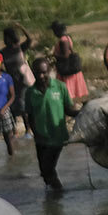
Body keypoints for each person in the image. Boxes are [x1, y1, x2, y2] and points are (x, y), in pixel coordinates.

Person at [24, 58, 77, 194]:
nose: (41, 76)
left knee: (48, 169)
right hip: (41, 139)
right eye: (38, 73)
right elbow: (30, 115)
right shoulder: (30, 92)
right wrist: (35, 133)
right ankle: (52, 198)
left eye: (44, 72)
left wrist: (81, 112)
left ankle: (60, 194)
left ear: (49, 71)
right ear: (33, 73)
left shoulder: (60, 87)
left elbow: (69, 109)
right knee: (44, 172)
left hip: (57, 137)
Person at [0, 24, 34, 134]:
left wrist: (21, 27)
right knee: (13, 106)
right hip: (11, 81)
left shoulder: (20, 48)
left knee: (22, 104)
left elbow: (30, 39)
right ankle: (14, 130)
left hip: (23, 80)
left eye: (6, 37)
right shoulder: (3, 52)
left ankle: (28, 129)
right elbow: (0, 66)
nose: (5, 39)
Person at [50, 21, 88, 102]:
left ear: (57, 31)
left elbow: (66, 55)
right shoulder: (67, 38)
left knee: (67, 93)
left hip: (66, 71)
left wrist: (54, 56)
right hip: (68, 69)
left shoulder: (63, 40)